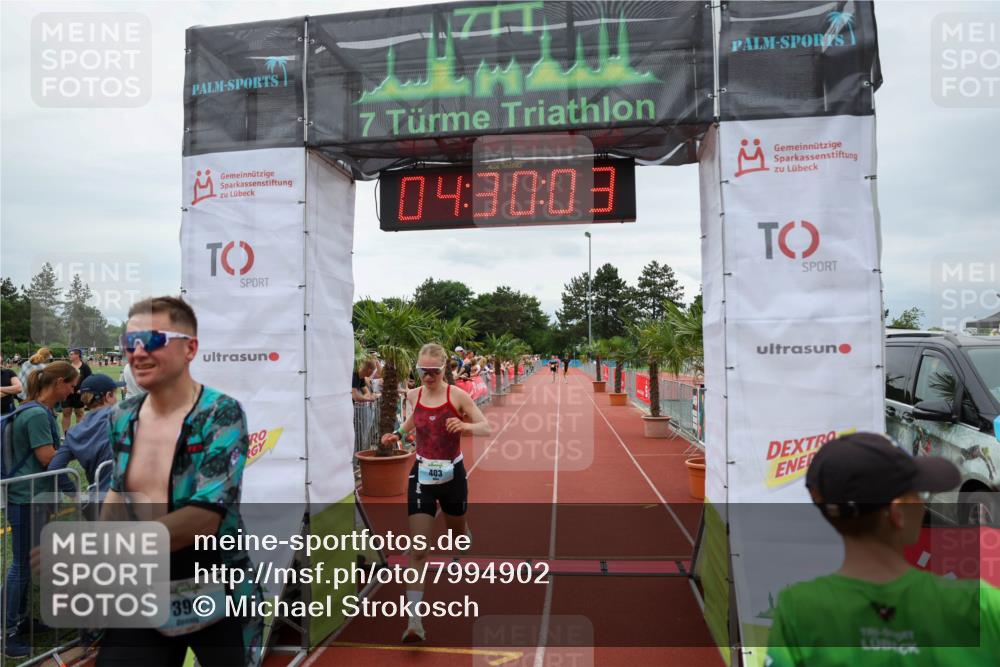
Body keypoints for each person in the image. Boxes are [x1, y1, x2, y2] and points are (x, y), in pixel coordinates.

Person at [94, 296, 262, 666]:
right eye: (129, 342)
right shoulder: (121, 416)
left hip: (214, 579)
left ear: (190, 348)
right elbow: (118, 492)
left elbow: (204, 518)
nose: (137, 352)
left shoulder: (220, 413)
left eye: (153, 340)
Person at [766, 432, 1000, 666]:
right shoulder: (980, 606)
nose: (922, 503)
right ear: (898, 513)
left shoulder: (797, 610)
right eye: (919, 493)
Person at [380, 343, 492, 643]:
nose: (428, 377)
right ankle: (414, 622)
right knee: (418, 549)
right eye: (422, 372)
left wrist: (465, 426)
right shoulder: (414, 394)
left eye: (433, 372)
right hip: (422, 474)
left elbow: (487, 427)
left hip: (452, 474)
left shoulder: (457, 396)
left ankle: (463, 527)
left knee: (458, 539)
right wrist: (399, 435)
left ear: (445, 369)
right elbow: (411, 423)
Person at [3, 361, 79, 659]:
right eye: (71, 385)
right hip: (26, 499)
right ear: (59, 382)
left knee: (28, 563)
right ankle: (9, 632)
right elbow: (48, 459)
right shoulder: (36, 414)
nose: (73, 390)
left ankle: (20, 620)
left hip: (34, 497)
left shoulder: (38, 410)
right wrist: (73, 450)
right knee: (21, 566)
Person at [47, 373, 124, 493]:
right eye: (115, 394)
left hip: (97, 497)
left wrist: (76, 495)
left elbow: (54, 468)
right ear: (108, 396)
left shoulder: (73, 432)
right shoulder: (122, 417)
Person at [61, 348, 92, 431]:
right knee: (66, 413)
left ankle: (79, 434)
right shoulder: (67, 366)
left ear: (77, 355)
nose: (69, 356)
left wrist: (83, 389)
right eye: (70, 354)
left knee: (80, 414)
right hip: (67, 394)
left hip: (79, 395)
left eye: (71, 354)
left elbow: (89, 380)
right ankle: (66, 435)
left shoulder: (85, 367)